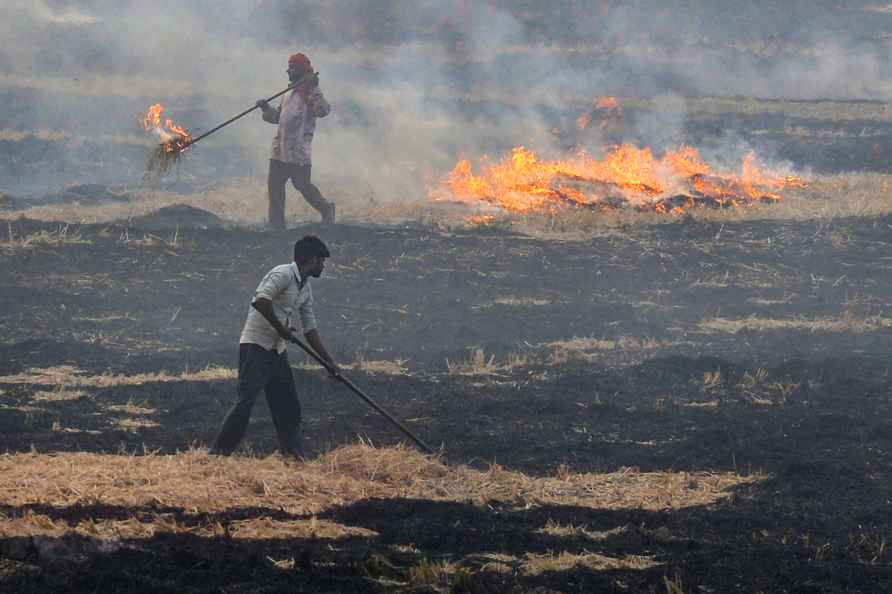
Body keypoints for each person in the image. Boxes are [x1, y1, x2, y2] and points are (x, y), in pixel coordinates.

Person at [211, 235, 340, 459]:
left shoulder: (305, 288)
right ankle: (218, 455)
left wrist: (329, 362)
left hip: (277, 351)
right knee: (245, 402)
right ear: (310, 260)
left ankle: (293, 454)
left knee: (288, 405)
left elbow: (310, 328)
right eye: (322, 261)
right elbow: (261, 301)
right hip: (256, 346)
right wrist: (281, 328)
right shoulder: (283, 274)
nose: (323, 266)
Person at [256, 53, 335, 229]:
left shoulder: (310, 93)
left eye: (291, 69)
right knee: (274, 186)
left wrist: (313, 90)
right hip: (279, 149)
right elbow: (278, 117)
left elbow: (323, 111)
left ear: (299, 71)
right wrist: (265, 108)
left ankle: (327, 208)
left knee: (302, 184)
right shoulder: (289, 93)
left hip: (298, 150)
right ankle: (277, 224)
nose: (288, 72)